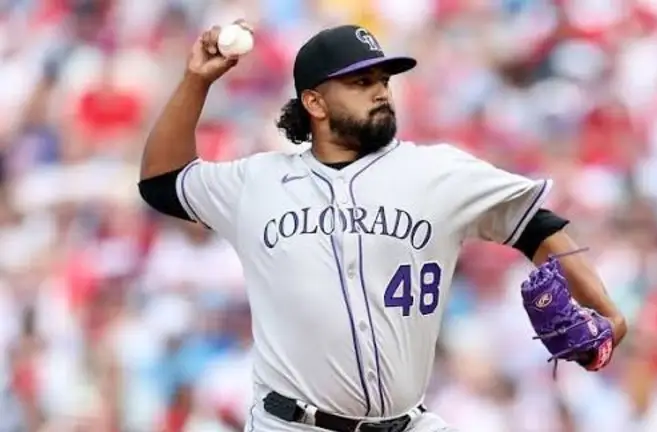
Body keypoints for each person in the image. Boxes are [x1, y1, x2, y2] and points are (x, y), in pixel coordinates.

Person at [138, 21, 627, 432]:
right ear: (315, 102)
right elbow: (162, 182)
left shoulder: (437, 173)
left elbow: (536, 226)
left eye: (383, 80)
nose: (379, 91)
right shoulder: (256, 182)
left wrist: (609, 313)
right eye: (359, 82)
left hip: (408, 423)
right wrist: (196, 81)